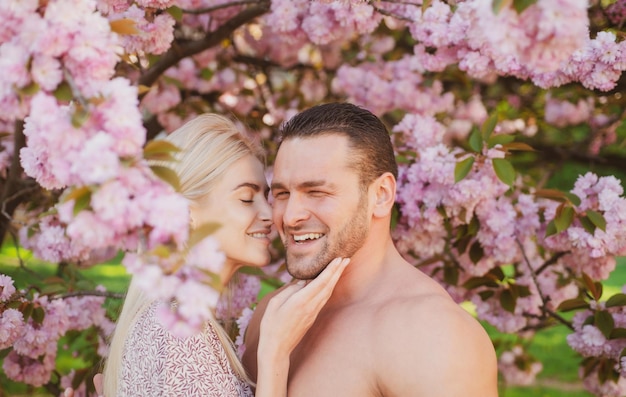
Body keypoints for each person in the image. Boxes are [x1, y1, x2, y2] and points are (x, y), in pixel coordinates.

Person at [242, 103, 499, 396]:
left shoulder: (432, 334)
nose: (289, 217)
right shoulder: (273, 315)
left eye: (317, 192)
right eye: (282, 193)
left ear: (381, 195)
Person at [89, 114, 350, 397]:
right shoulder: (182, 334)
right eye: (247, 199)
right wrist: (274, 353)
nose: (270, 215)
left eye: (267, 197)